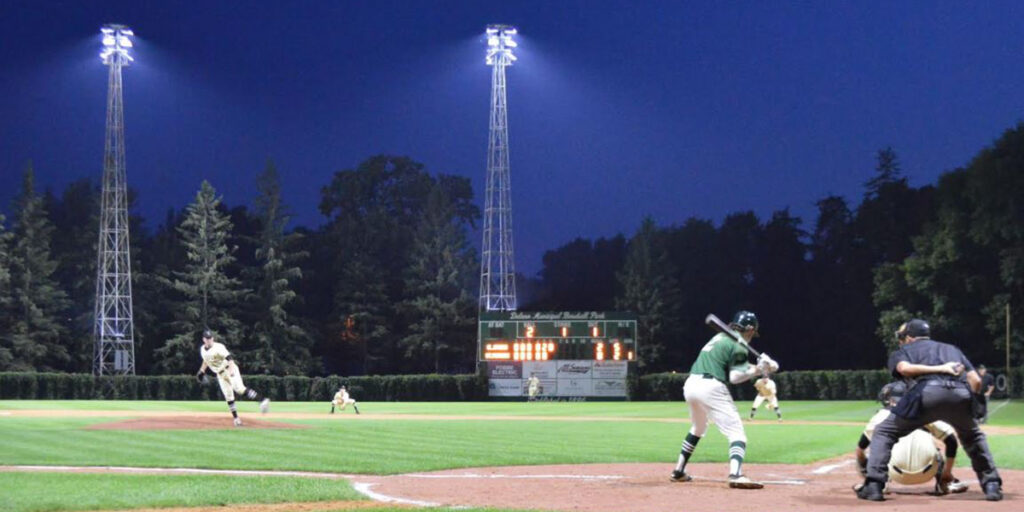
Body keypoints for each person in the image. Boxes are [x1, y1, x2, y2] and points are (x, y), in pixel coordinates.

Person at [855, 319, 1002, 502]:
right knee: (973, 437)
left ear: (909, 338)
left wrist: (937, 370)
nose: (901, 341)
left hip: (927, 394)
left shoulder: (903, 351)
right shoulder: (952, 349)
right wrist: (973, 404)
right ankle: (991, 485)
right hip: (959, 395)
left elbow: (905, 369)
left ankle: (874, 486)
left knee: (884, 431)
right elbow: (976, 381)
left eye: (902, 338)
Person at [670, 310, 777, 489]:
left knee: (698, 428)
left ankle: (678, 471)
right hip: (711, 386)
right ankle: (736, 474)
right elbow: (735, 377)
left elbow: (738, 366)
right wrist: (760, 369)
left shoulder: (721, 337)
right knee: (737, 433)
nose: (752, 336)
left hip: (691, 384)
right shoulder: (739, 343)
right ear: (750, 329)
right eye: (753, 332)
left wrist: (763, 367)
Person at [854, 380, 968, 495]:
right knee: (937, 452)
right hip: (927, 472)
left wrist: (866, 471)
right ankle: (943, 483)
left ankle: (876, 485)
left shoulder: (881, 415)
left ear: (892, 400)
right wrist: (947, 473)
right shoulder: (926, 412)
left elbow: (860, 451)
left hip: (894, 472)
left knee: (879, 449)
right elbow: (952, 441)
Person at [196, 329, 270, 427]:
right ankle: (236, 419)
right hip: (220, 374)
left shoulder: (219, 347)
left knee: (239, 389)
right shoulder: (202, 349)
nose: (209, 340)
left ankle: (262, 400)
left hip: (229, 369)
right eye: (207, 338)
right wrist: (201, 371)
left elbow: (229, 358)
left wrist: (231, 370)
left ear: (212, 338)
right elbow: (206, 360)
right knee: (228, 396)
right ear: (203, 340)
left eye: (210, 338)